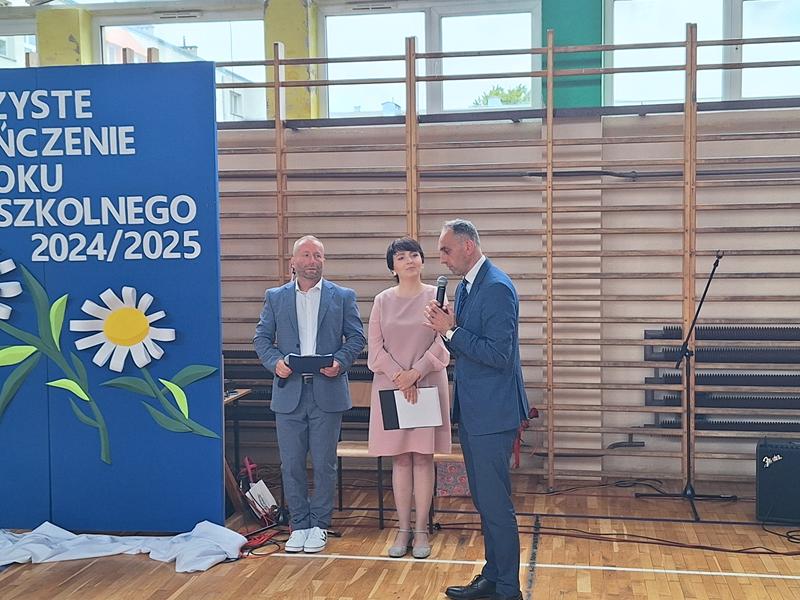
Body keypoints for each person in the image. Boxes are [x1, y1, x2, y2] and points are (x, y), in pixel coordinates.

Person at [424, 219, 529, 600]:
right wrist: (447, 328)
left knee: (496, 504)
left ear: (468, 246)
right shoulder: (468, 286)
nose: (442, 258)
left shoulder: (497, 287)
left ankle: (508, 589)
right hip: (473, 410)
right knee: (485, 501)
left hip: (493, 412)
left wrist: (451, 330)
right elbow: (467, 348)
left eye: (446, 249)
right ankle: (493, 576)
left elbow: (499, 355)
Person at [254, 235, 366, 554]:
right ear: (293, 262)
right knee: (290, 464)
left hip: (327, 391)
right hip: (289, 391)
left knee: (324, 464)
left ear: (323, 261)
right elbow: (261, 338)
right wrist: (275, 363)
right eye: (305, 254)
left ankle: (319, 525)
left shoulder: (342, 296)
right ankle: (299, 525)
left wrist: (340, 362)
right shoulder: (275, 297)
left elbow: (356, 338)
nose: (312, 260)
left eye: (318, 255)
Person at [367, 237, 451, 560]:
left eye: (414, 255)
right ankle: (402, 529)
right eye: (401, 257)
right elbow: (375, 350)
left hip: (426, 384)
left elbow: (443, 342)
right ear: (392, 267)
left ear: (422, 261)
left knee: (423, 458)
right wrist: (400, 377)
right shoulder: (382, 301)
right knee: (400, 458)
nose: (409, 261)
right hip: (391, 387)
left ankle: (422, 530)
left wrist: (415, 373)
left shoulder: (436, 297)